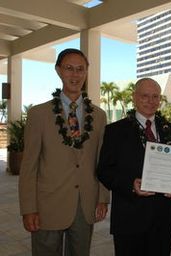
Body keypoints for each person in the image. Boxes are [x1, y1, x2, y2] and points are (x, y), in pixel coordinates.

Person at [18, 48, 110, 255]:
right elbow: (29, 165)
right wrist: (28, 208)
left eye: (80, 69)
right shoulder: (38, 114)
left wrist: (102, 197)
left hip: (85, 204)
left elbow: (101, 160)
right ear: (58, 71)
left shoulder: (99, 115)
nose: (75, 74)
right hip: (47, 204)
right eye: (69, 68)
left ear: (86, 72)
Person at [97, 78, 171, 256]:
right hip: (129, 218)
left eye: (155, 96)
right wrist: (130, 184)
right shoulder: (115, 131)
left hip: (163, 219)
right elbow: (104, 170)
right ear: (134, 97)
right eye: (145, 96)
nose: (150, 101)